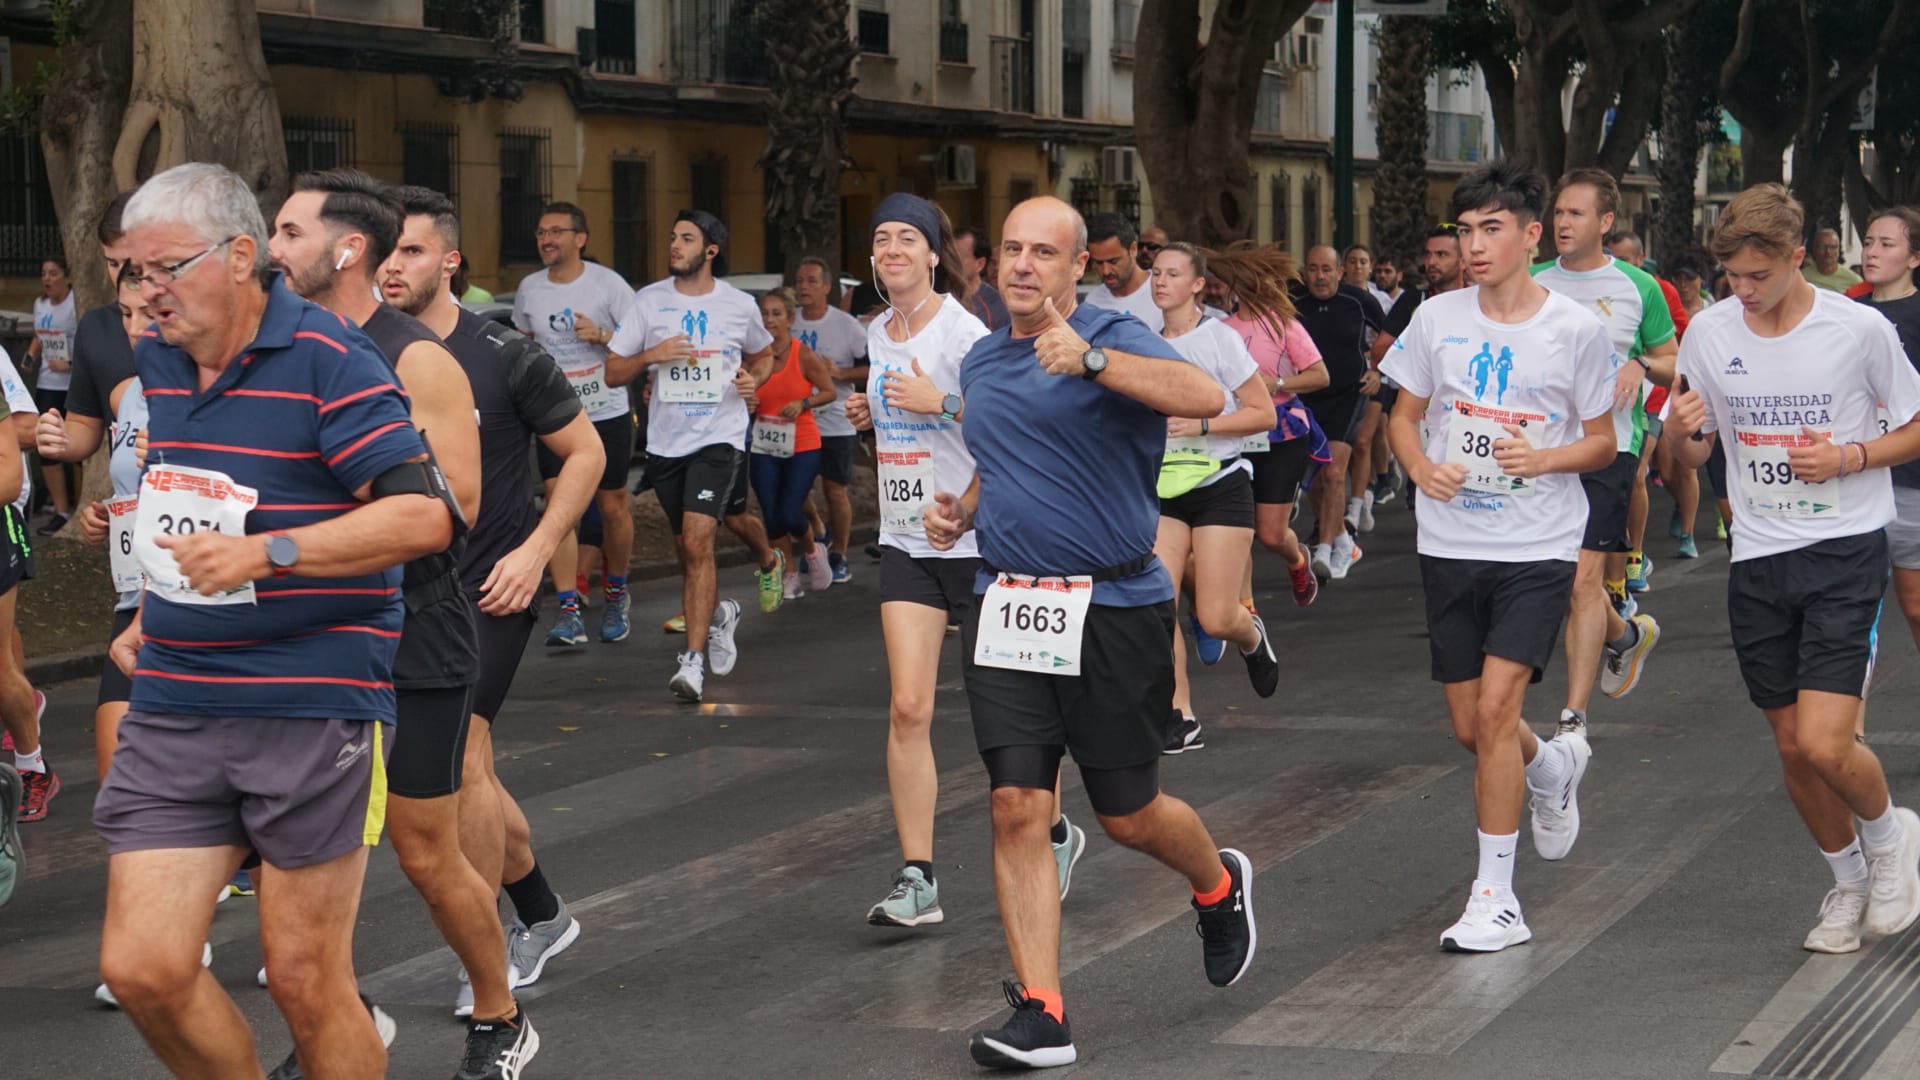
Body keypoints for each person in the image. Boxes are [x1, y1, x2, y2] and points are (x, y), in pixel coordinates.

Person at [94, 160, 450, 1080]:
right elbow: (196, 500)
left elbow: (421, 517)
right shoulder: (161, 362)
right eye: (135, 271)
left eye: (166, 267)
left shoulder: (331, 357)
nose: (147, 293)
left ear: (240, 255)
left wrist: (269, 552)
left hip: (308, 698)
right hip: (177, 698)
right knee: (143, 968)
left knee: (301, 976)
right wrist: (164, 602)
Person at [924, 196, 1256, 1068]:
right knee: (1016, 804)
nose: (1024, 265)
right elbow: (1010, 461)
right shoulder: (987, 362)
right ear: (993, 264)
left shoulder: (1118, 335)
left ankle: (1218, 885)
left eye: (1046, 253)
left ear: (1079, 269)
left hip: (1112, 606)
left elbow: (1208, 394)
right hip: (1008, 604)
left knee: (1128, 814)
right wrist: (962, 514)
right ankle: (1042, 1010)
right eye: (1011, 250)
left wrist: (1099, 359)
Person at [270, 168, 538, 1077]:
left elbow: (454, 503)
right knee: (298, 852)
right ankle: (337, 1022)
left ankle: (501, 1015)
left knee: (426, 851)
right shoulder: (280, 348)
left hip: (415, 627)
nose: (273, 250)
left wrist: (317, 523)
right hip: (310, 633)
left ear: (348, 250)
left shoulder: (416, 356)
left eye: (290, 233)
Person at [1665, 182, 1920, 955]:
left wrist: (1849, 456)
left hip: (1844, 548)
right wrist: (1685, 435)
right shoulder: (1709, 332)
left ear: (1797, 258)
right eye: (1731, 279)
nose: (1742, 293)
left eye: (1758, 277)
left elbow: (1914, 424)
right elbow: (1696, 449)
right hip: (1758, 555)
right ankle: (1845, 882)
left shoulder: (1859, 327)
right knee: (1788, 746)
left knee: (1825, 742)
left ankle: (1890, 838)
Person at [1380, 160, 1617, 953]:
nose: (1474, 246)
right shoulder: (1436, 318)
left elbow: (1602, 442)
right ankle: (1550, 767)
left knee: (1493, 713)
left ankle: (1496, 899)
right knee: (1471, 728)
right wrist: (1419, 468)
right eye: (1464, 231)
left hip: (1537, 546)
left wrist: (1542, 461)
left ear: (1530, 235)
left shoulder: (1574, 330)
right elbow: (1403, 419)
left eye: (1491, 229)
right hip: (1450, 542)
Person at [382, 185, 597, 1026]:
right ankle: (543, 912)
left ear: (450, 260)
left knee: (462, 761)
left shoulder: (502, 353)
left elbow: (581, 454)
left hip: (489, 589)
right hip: (401, 591)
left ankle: (485, 962)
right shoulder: (365, 355)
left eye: (411, 250)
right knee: (472, 771)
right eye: (386, 251)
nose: (395, 265)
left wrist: (537, 552)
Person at [843, 192, 1088, 927]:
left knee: (1006, 720)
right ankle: (918, 878)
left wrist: (938, 404)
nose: (891, 250)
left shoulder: (966, 332)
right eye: (881, 238)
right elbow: (901, 423)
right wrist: (872, 412)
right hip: (907, 539)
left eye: (905, 240)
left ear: (931, 253)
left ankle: (1052, 831)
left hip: (982, 542)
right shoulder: (876, 332)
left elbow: (1007, 422)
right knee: (908, 706)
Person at [605, 209, 780, 702]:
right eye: (672, 236)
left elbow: (763, 353)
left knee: (699, 540)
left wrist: (754, 379)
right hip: (665, 444)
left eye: (686, 238)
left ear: (710, 251)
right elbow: (614, 372)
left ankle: (692, 662)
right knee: (687, 547)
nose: (674, 245)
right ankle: (720, 614)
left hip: (719, 436)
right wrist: (650, 356)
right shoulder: (648, 301)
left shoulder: (738, 305)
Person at [1530, 171, 1675, 735]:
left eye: (1576, 214)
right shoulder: (1533, 280)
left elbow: (1672, 359)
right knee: (1562, 578)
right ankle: (1626, 635)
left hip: (1611, 446)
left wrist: (1642, 363)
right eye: (1559, 213)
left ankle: (1573, 717)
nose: (1563, 223)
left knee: (1583, 582)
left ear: (1606, 223)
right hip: (1541, 449)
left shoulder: (1639, 287)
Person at [1149, 242, 1281, 751]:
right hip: (1162, 489)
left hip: (1220, 482)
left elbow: (1263, 413)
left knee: (1215, 616)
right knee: (1159, 604)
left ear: (1198, 285)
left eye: (1173, 274)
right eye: (1156, 273)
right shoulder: (1144, 343)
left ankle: (1250, 636)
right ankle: (1179, 713)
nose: (1161, 281)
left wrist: (1204, 423)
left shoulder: (1219, 339)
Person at [511, 201, 640, 647]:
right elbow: (523, 346)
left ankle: (616, 591)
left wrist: (604, 337)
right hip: (555, 413)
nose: (546, 239)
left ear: (580, 238)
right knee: (559, 507)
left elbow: (641, 340)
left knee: (611, 505)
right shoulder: (529, 289)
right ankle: (568, 609)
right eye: (541, 233)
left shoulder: (609, 285)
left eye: (555, 232)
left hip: (605, 409)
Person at [1215, 244, 1328, 610]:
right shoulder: (1219, 330)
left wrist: (1276, 384)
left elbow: (1319, 376)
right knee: (1238, 530)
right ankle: (1246, 607)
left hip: (1282, 434)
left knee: (1270, 533)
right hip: (1236, 434)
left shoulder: (1284, 325)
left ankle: (1298, 560)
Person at [1854, 206, 1920, 695]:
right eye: (1869, 242)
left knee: (1915, 606)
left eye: (1887, 244)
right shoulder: (1843, 310)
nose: (1872, 252)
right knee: (1854, 615)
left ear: (1915, 256)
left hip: (1912, 484)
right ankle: (1849, 732)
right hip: (1852, 482)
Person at [1294, 244, 1385, 581]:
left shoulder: (1358, 301)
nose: (1320, 276)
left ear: (1340, 272)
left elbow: (1395, 338)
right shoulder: (1294, 302)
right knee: (1313, 481)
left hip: (1349, 394)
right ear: (1305, 271)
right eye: (1313, 269)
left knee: (1333, 473)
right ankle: (1345, 540)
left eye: (1327, 269)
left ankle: (1325, 550)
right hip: (1306, 398)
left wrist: (1377, 370)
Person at [748, 288, 839, 598]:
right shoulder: (753, 357)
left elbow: (829, 391)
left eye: (776, 313)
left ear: (789, 318)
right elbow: (746, 394)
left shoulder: (803, 354)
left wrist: (803, 403)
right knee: (772, 515)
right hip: (764, 445)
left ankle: (813, 552)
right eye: (764, 313)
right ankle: (789, 574)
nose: (769, 319)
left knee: (789, 512)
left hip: (802, 443)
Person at [792, 256, 869, 583]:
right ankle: (817, 530)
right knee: (794, 490)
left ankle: (838, 553)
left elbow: (870, 367)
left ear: (826, 287)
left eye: (811, 281)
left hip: (836, 419)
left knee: (835, 489)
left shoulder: (845, 325)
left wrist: (839, 372)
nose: (804, 287)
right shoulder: (788, 322)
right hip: (794, 419)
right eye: (799, 281)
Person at [27, 256, 75, 533]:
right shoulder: (39, 304)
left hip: (72, 384)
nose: (47, 278)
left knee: (75, 448)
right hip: (47, 383)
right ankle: (60, 510)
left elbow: (86, 343)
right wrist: (31, 355)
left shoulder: (74, 305)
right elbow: (39, 334)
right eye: (44, 273)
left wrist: (69, 364)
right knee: (46, 446)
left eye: (53, 273)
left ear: (67, 278)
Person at [1082, 212, 1163, 332]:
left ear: (1133, 250)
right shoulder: (1092, 302)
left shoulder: (1163, 292)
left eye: (1113, 261)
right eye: (1098, 263)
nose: (1106, 271)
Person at [953, 224, 1011, 330]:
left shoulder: (998, 306)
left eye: (958, 257)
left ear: (980, 264)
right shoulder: (935, 296)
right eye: (950, 256)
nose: (951, 262)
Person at [1803, 227, 1864, 292]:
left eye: (1833, 247)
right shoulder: (1803, 277)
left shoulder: (1854, 281)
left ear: (1838, 250)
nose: (1828, 252)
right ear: (1814, 249)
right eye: (1822, 247)